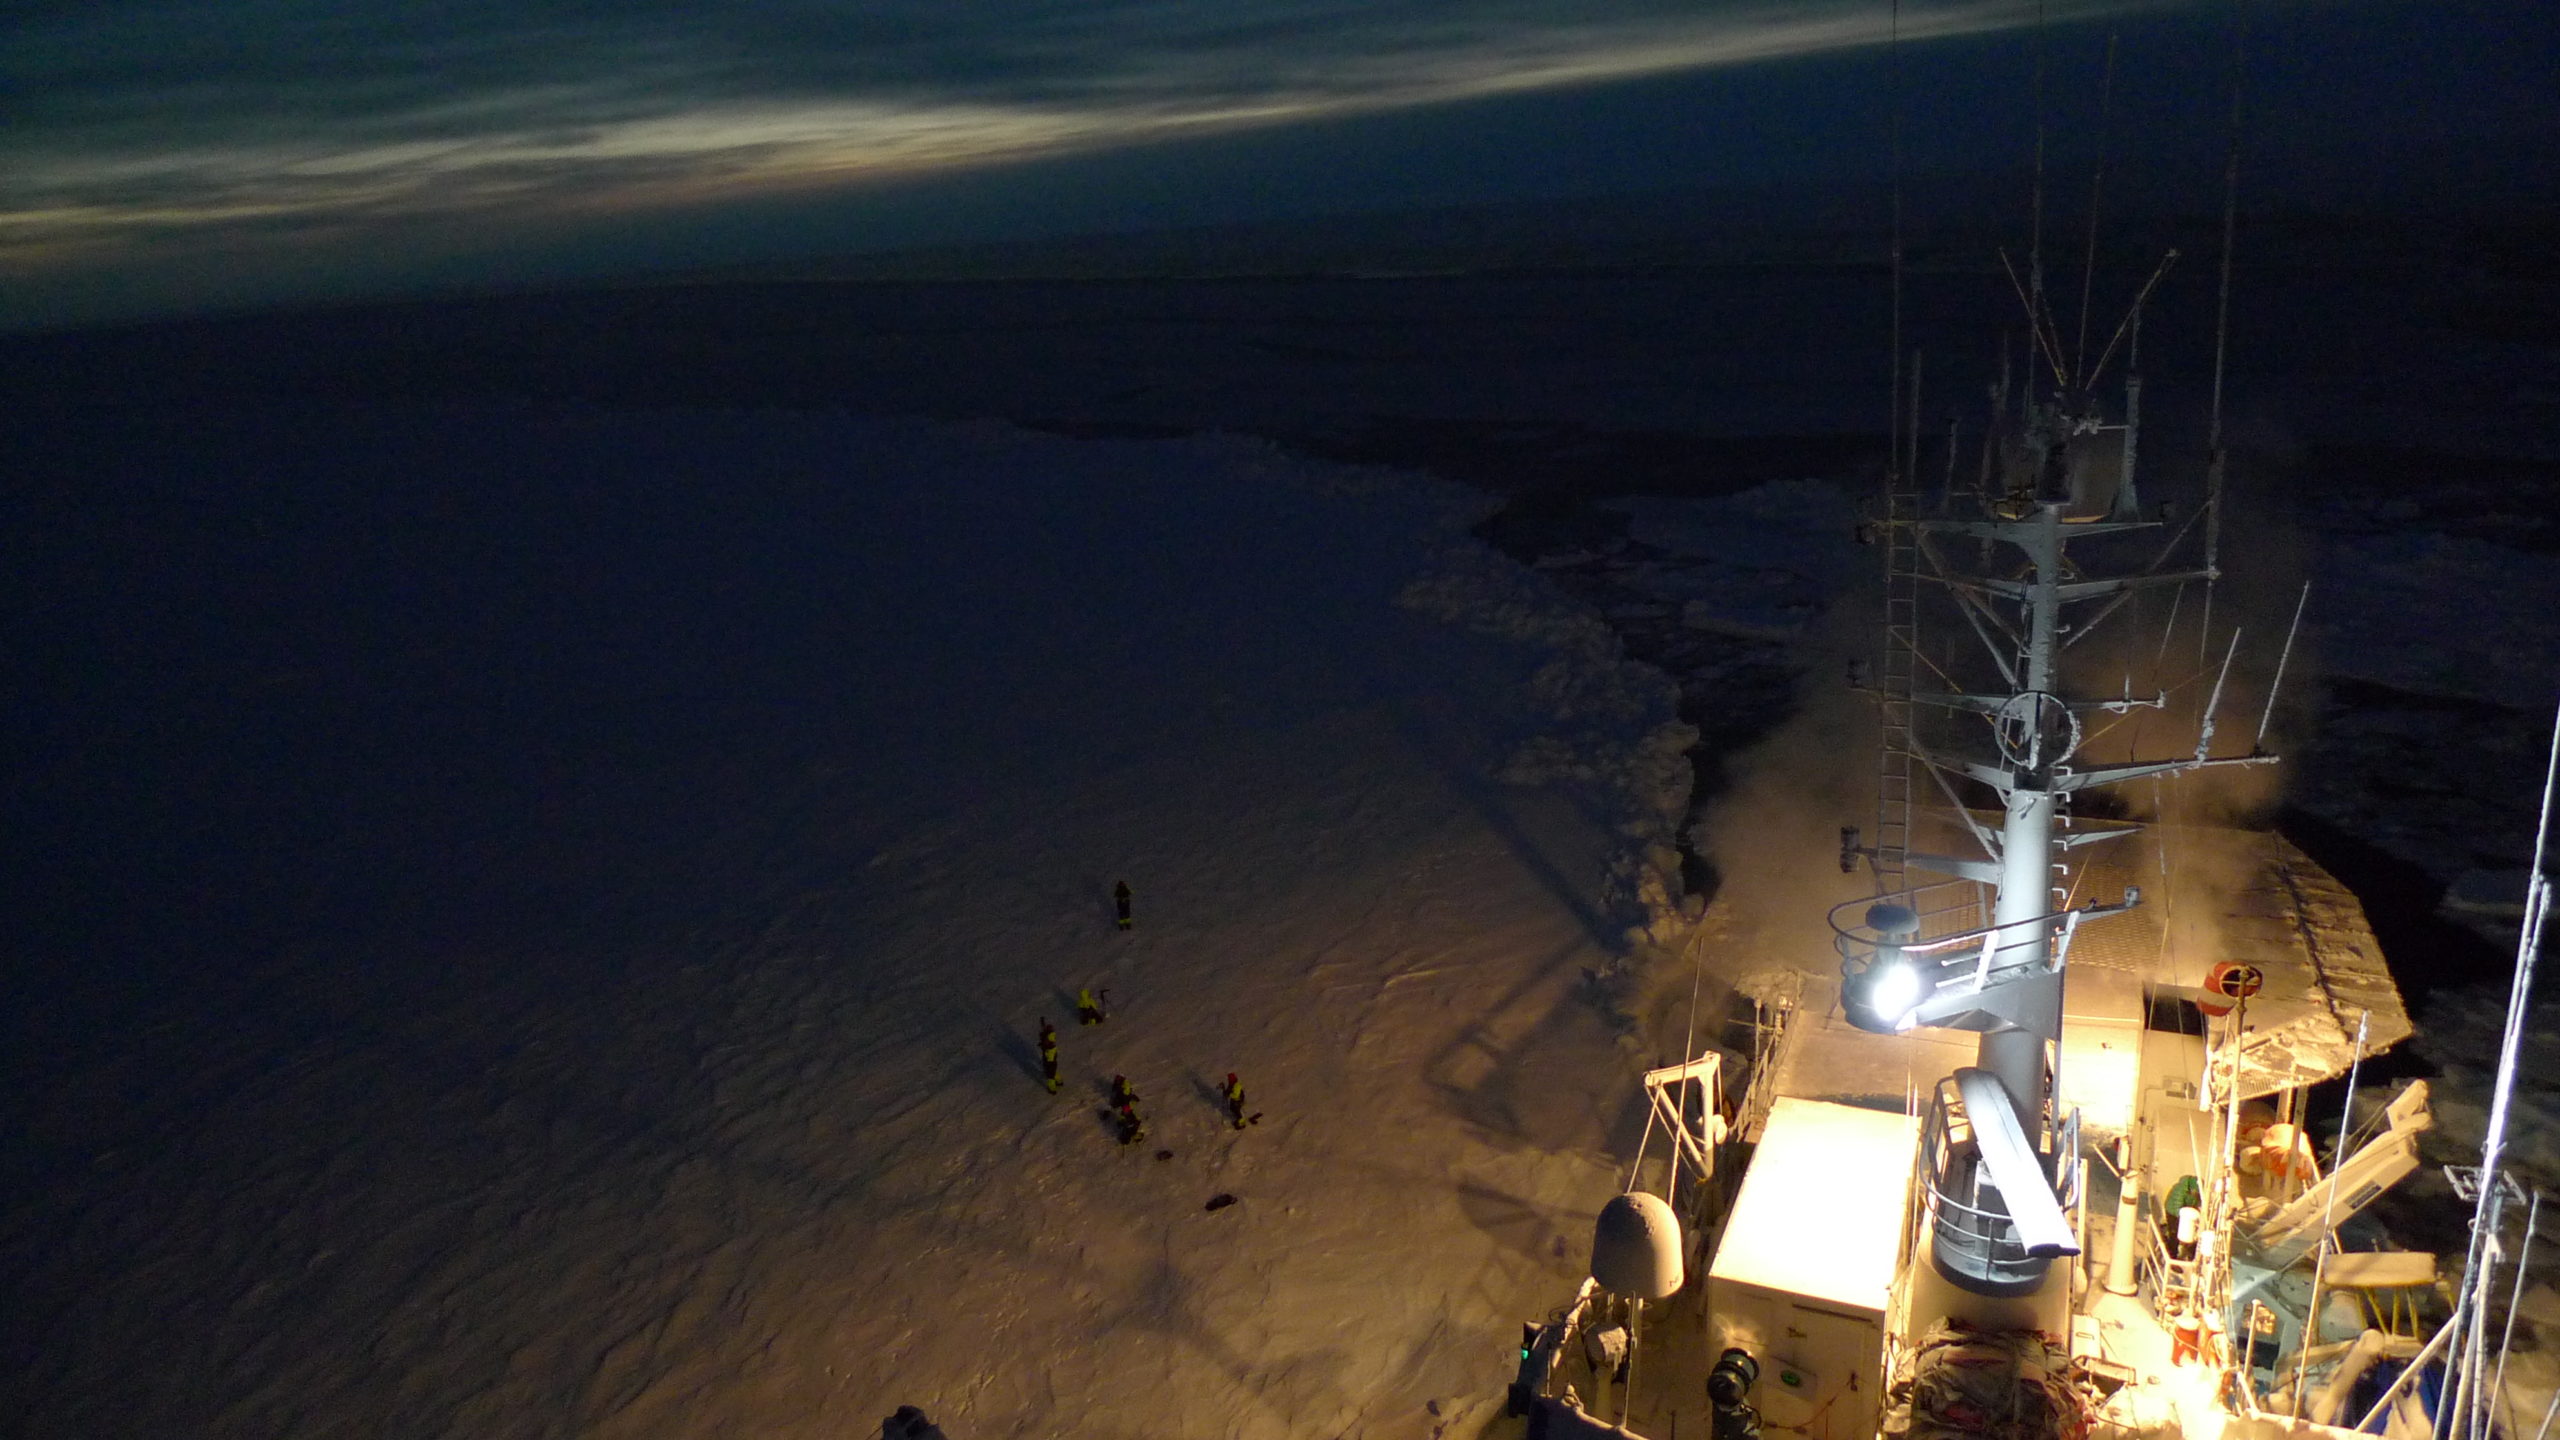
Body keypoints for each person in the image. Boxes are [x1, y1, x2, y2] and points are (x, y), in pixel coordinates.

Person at [1038, 1019, 1060, 1094]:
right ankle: (1056, 1083)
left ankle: (1053, 1085)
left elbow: (1048, 1043)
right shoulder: (1050, 1038)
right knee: (1052, 1071)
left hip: (1050, 1058)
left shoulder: (1050, 1038)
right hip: (1051, 1058)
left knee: (1051, 1072)